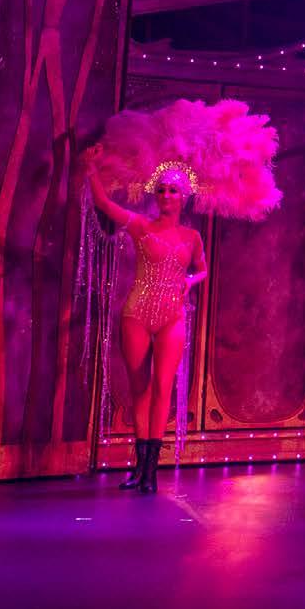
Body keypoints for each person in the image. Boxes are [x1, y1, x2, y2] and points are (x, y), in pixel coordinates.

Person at [85, 151, 206, 493]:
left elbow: (203, 269)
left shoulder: (192, 237)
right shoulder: (140, 225)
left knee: (163, 388)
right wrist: (91, 168)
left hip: (172, 316)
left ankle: (151, 472)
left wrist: (190, 281)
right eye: (161, 189)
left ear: (184, 197)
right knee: (140, 390)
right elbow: (103, 204)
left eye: (173, 190)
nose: (166, 195)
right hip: (137, 313)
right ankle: (139, 468)